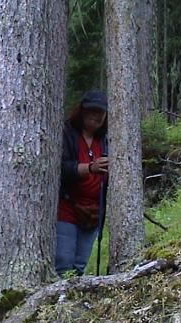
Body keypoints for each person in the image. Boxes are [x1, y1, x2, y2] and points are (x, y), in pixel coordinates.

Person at [56, 90, 109, 276]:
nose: (95, 116)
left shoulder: (105, 140)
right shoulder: (67, 134)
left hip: (94, 212)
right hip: (67, 207)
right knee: (63, 261)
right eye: (91, 111)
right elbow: (61, 169)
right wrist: (90, 168)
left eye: (100, 112)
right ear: (82, 111)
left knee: (80, 263)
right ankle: (59, 299)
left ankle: (72, 299)